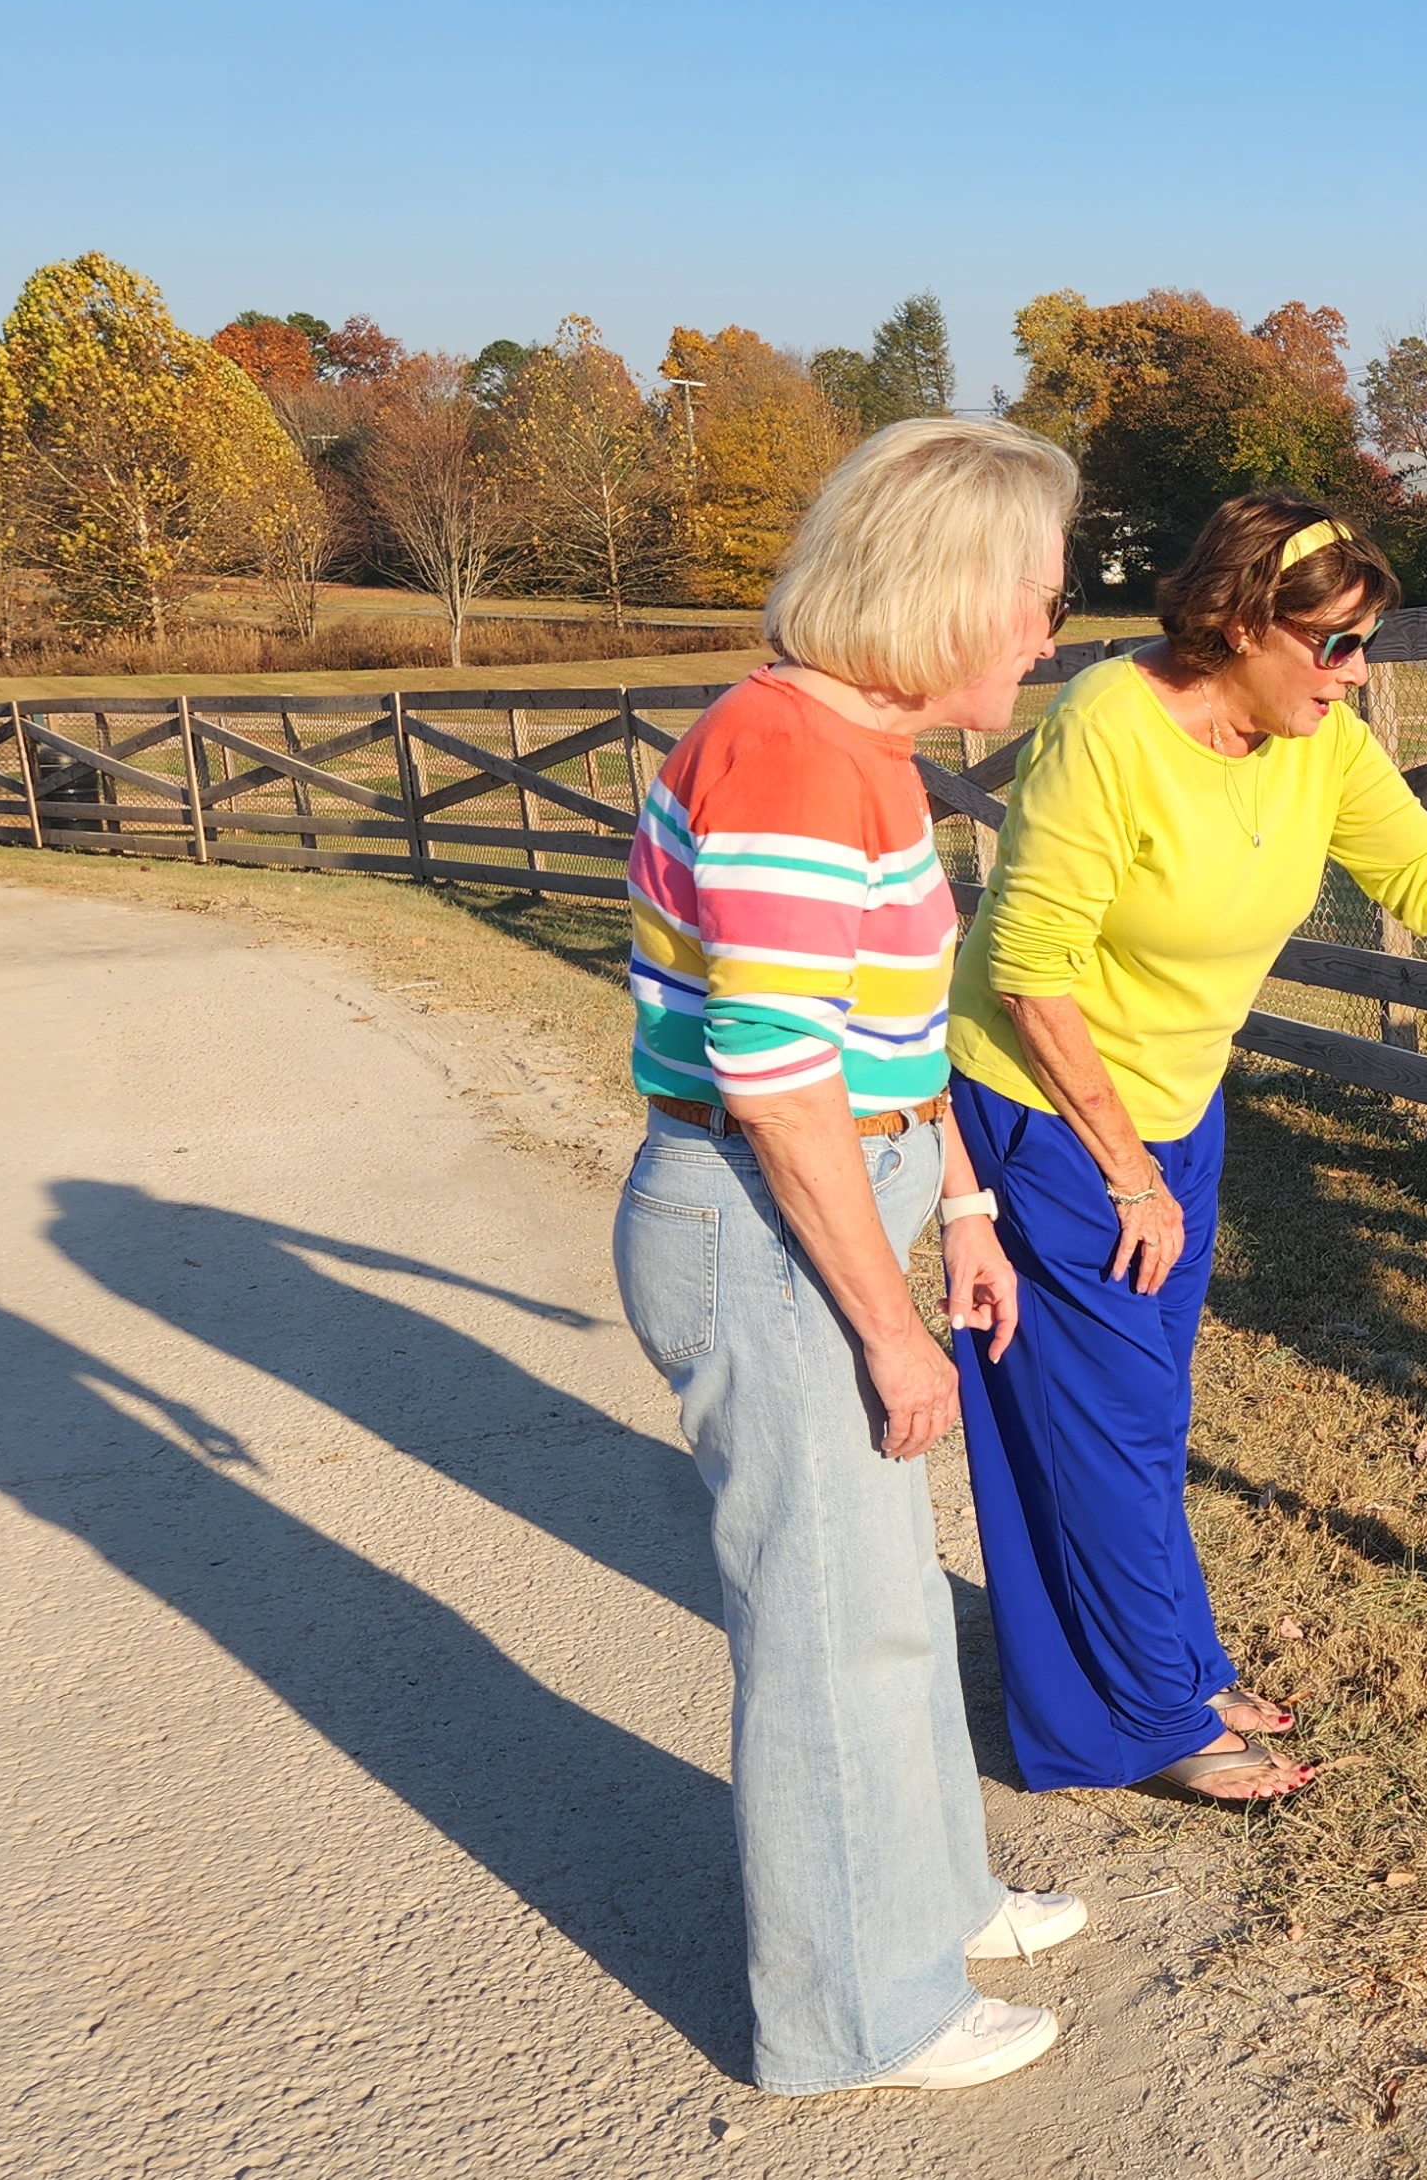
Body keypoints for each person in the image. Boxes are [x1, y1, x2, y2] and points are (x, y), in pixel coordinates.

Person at [944, 491, 1427, 1802]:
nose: (1357, 672)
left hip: (1176, 1109)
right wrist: (1125, 1167)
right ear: (1243, 624)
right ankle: (1150, 1719)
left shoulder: (1314, 738)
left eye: (1366, 643)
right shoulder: (1107, 730)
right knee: (1109, 1422)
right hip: (1054, 1114)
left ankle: (1166, 1667)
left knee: (1138, 1414)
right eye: (1335, 644)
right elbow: (1027, 970)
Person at [610, 418, 1092, 2096]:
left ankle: (932, 1899)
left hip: (847, 1196)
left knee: (881, 1601)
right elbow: (776, 1073)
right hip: (769, 1220)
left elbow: (887, 1039)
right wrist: (886, 1327)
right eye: (1035, 596)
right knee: (825, 1630)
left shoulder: (853, 748)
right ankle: (854, 2018)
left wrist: (957, 1205)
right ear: (947, 596)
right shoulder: (796, 760)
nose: (1050, 630)